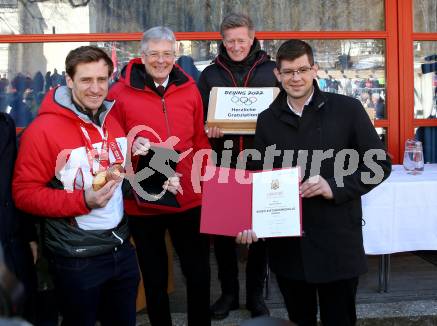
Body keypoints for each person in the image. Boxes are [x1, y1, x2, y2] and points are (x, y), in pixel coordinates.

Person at [236, 39, 392, 326]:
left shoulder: (348, 109)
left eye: (302, 70)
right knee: (300, 320)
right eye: (288, 72)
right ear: (277, 75)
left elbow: (379, 165)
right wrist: (246, 221)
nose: (296, 78)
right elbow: (257, 178)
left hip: (337, 245)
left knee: (340, 321)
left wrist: (333, 186)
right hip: (289, 249)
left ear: (314, 70)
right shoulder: (267, 120)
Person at [12, 46, 140, 326]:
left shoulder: (113, 122)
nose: (95, 88)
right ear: (69, 81)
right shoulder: (42, 131)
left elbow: (121, 183)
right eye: (86, 80)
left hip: (121, 251)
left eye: (102, 79)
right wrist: (83, 201)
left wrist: (156, 175)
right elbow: (24, 194)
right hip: (77, 260)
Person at [108, 26, 212, 326]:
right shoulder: (119, 93)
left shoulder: (190, 88)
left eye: (167, 54)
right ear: (142, 56)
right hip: (145, 198)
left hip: (189, 197)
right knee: (153, 276)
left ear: (176, 55)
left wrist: (200, 180)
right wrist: (131, 144)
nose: (160, 60)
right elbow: (111, 144)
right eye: (154, 54)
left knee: (198, 272)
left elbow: (199, 141)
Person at [197, 13, 277, 320]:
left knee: (262, 234)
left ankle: (256, 296)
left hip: (263, 161)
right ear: (222, 40)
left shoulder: (272, 70)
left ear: (253, 37)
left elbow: (286, 111)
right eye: (229, 41)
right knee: (223, 234)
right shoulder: (209, 74)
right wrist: (209, 126)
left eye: (241, 40)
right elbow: (200, 116)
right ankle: (229, 294)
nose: (235, 46)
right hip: (224, 162)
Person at [0, 112, 38, 323]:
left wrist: (29, 234)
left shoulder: (5, 124)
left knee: (23, 311)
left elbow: (17, 186)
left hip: (15, 246)